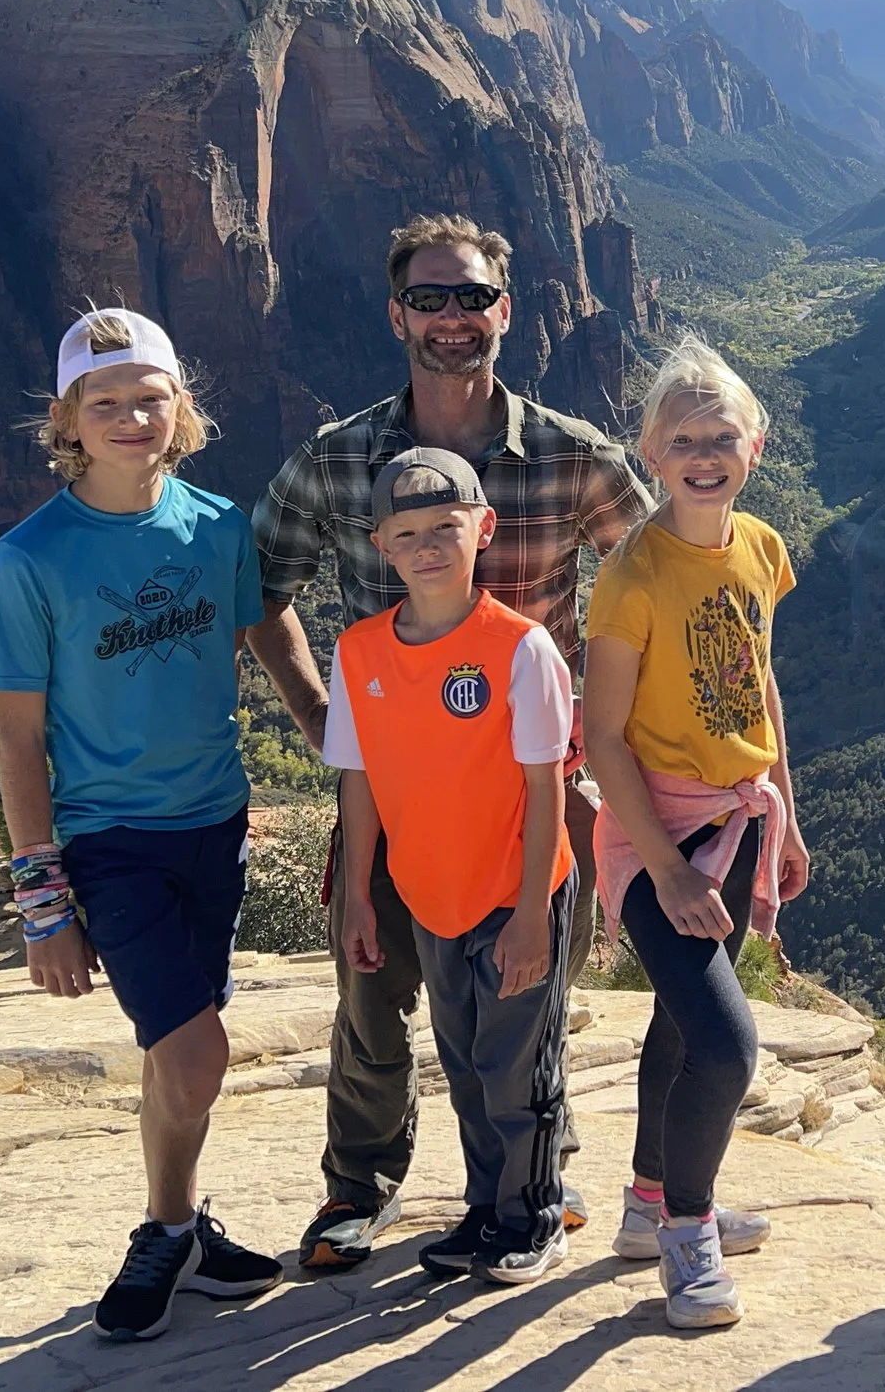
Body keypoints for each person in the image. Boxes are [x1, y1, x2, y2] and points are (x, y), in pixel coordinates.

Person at [248, 214, 652, 1271]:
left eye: (471, 297)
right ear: (397, 315)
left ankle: (534, 1183)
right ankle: (360, 1190)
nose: (451, 318)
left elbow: (655, 587)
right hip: (395, 795)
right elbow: (259, 590)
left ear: (503, 312)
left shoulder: (574, 459)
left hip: (533, 791)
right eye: (429, 298)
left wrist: (601, 752)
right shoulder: (338, 464)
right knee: (371, 991)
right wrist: (331, 727)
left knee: (529, 999)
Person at [0, 308, 282, 1343]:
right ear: (66, 418)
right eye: (103, 402)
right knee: (198, 1056)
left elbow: (262, 622)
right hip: (110, 842)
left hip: (216, 827)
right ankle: (163, 1226)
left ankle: (178, 1230)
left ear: (180, 407)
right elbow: (18, 740)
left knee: (172, 1051)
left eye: (148, 396)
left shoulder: (217, 526)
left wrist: (331, 721)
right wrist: (40, 903)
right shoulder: (31, 557)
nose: (129, 416)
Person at [583, 335, 810, 1329]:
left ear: (754, 448)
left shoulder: (760, 547)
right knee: (725, 1046)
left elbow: (757, 681)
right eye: (684, 439)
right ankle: (687, 1232)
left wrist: (787, 813)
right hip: (654, 834)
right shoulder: (632, 576)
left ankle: (646, 1205)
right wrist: (667, 870)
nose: (704, 453)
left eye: (722, 435)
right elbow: (599, 740)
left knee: (680, 1025)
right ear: (652, 454)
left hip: (740, 813)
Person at [324, 448, 580, 1284]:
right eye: (408, 533)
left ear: (483, 527)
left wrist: (535, 914)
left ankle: (533, 1214)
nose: (429, 545)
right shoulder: (360, 652)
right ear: (381, 546)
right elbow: (357, 786)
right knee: (467, 1064)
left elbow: (545, 787)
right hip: (431, 899)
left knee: (516, 1068)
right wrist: (357, 898)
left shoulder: (520, 646)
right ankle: (485, 1209)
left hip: (514, 893)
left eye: (445, 526)